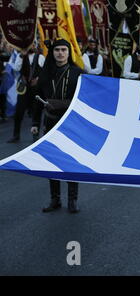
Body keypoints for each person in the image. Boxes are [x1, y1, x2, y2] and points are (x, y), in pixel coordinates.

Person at [30, 39, 84, 213]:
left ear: (69, 53)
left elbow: (84, 100)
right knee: (51, 162)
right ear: (52, 53)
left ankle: (72, 200)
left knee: (70, 162)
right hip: (50, 122)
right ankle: (55, 200)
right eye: (57, 50)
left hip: (71, 124)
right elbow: (37, 100)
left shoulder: (78, 73)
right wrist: (35, 123)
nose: (60, 53)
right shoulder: (45, 74)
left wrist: (61, 104)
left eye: (63, 50)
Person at [7, 42, 45, 143]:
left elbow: (45, 72)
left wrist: (38, 79)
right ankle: (16, 135)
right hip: (23, 88)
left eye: (32, 45)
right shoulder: (21, 56)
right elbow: (16, 68)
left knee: (36, 112)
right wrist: (21, 55)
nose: (31, 47)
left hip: (35, 89)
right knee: (19, 112)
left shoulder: (40, 57)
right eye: (29, 45)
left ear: (35, 46)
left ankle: (35, 136)